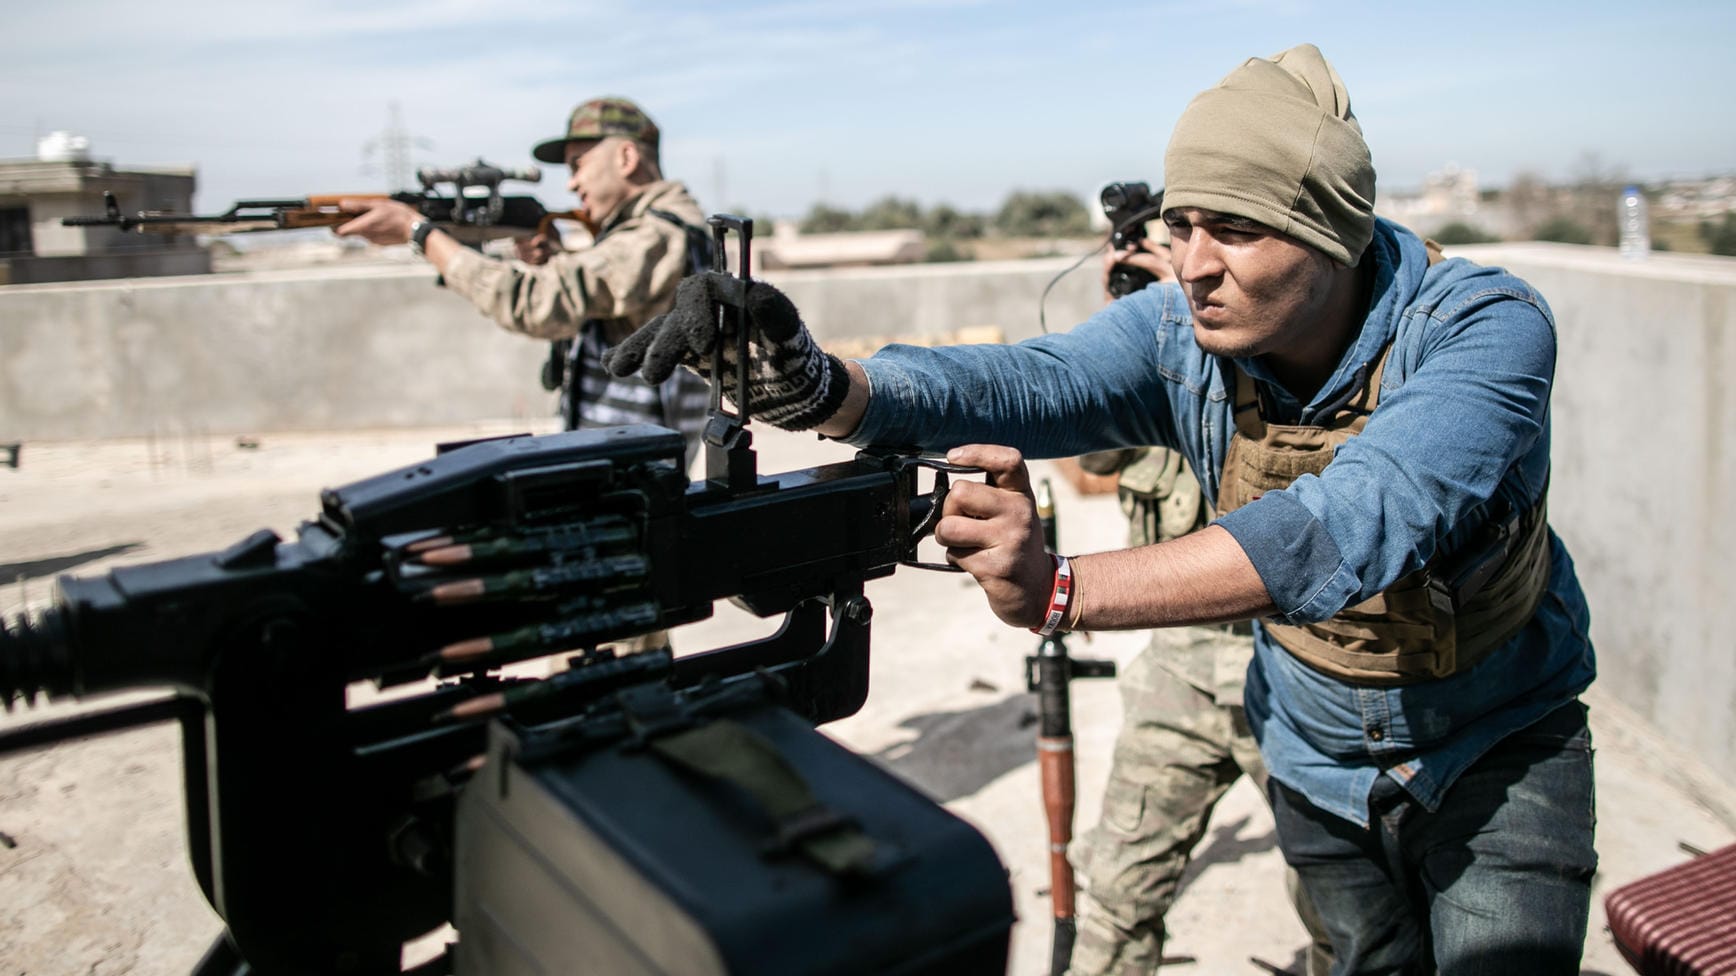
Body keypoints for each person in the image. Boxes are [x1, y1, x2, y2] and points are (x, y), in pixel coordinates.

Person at [607, 43, 1598, 975]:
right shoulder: (1182, 329)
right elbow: (1022, 384)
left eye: (1236, 228)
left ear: (1328, 234)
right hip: (1309, 747)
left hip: (1493, 751)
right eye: (1180, 223)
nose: (1191, 262)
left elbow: (1354, 523)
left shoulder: (1481, 329)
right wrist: (812, 386)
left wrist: (1059, 587)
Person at [1069, 243, 1333, 976]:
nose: (1194, 269)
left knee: (1340, 909)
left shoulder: (1287, 360)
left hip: (1285, 668)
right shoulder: (1152, 356)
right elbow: (1092, 458)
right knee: (1118, 893)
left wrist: (1199, 333)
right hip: (1179, 673)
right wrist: (1129, 325)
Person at [335, 96, 711, 469]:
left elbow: (536, 303)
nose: (572, 185)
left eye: (577, 166)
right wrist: (556, 258)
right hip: (630, 459)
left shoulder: (658, 235)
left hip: (635, 469)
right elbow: (612, 305)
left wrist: (418, 233)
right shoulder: (660, 229)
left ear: (626, 158)